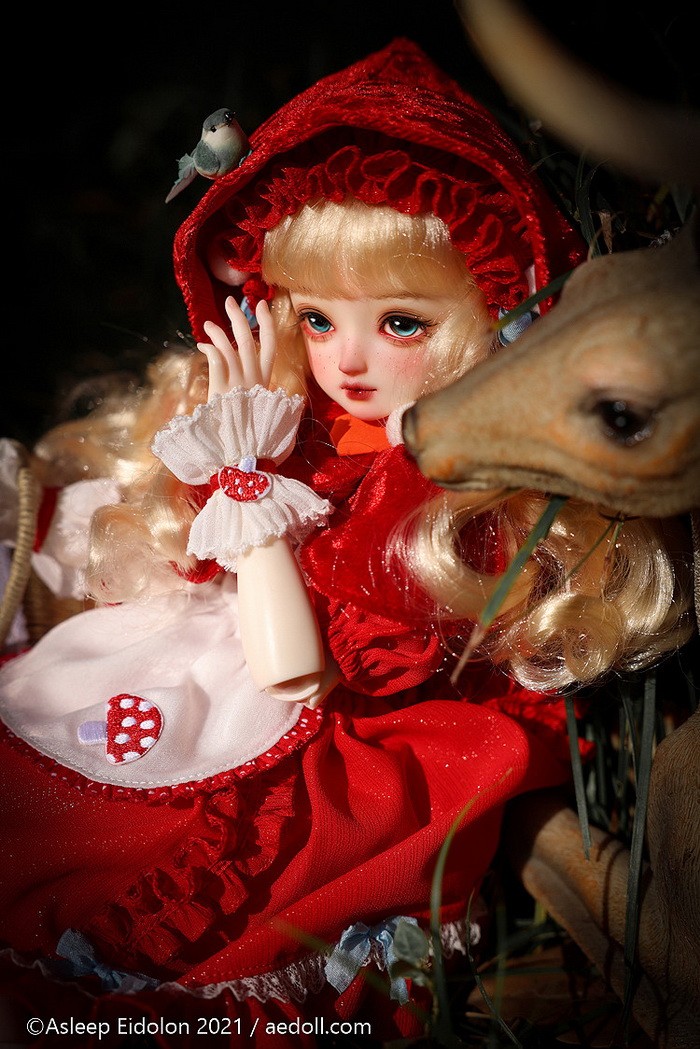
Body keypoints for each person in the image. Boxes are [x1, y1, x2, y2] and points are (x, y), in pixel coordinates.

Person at [0, 39, 693, 1045]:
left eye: (403, 323)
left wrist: (247, 487)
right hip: (204, 656)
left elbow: (300, 668)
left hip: (335, 721)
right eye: (318, 319)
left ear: (494, 320)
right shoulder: (301, 420)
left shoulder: (442, 498)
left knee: (161, 884)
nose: (349, 360)